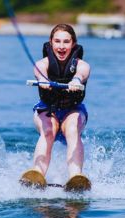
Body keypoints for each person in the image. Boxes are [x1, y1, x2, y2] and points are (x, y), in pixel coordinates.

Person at [22, 24, 91, 188]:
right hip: (47, 110)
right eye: (57, 41)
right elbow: (39, 72)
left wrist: (76, 81)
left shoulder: (82, 65)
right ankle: (37, 173)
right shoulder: (42, 64)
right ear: (51, 43)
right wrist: (43, 80)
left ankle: (76, 177)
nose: (61, 46)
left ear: (73, 44)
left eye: (66, 42)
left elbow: (81, 74)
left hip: (73, 111)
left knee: (73, 127)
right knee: (49, 129)